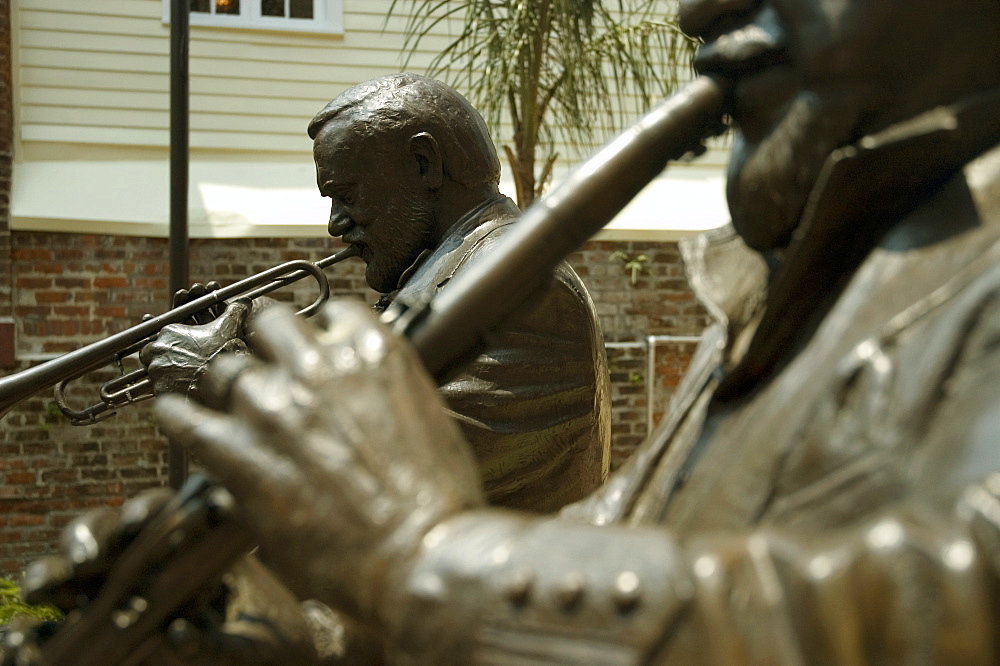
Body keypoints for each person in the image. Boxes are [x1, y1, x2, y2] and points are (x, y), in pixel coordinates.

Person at [13, 0, 1000, 662]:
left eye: (350, 195)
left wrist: (418, 554)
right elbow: (627, 545)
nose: (695, 11)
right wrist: (274, 641)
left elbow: (948, 598)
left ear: (426, 165)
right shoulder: (808, 271)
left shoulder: (526, 290)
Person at [143, 73, 611, 512]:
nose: (335, 224)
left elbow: (374, 461)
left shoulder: (521, 281)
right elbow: (379, 392)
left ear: (424, 164)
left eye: (346, 194)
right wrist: (263, 340)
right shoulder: (451, 267)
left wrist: (221, 377)